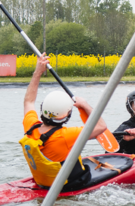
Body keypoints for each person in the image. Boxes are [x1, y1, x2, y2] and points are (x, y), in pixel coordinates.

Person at [20, 55, 108, 189]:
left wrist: (37, 72)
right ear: (67, 115)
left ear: (43, 108)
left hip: (44, 183)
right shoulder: (67, 136)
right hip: (69, 185)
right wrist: (84, 105)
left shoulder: (30, 126)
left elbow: (28, 101)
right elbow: (101, 126)